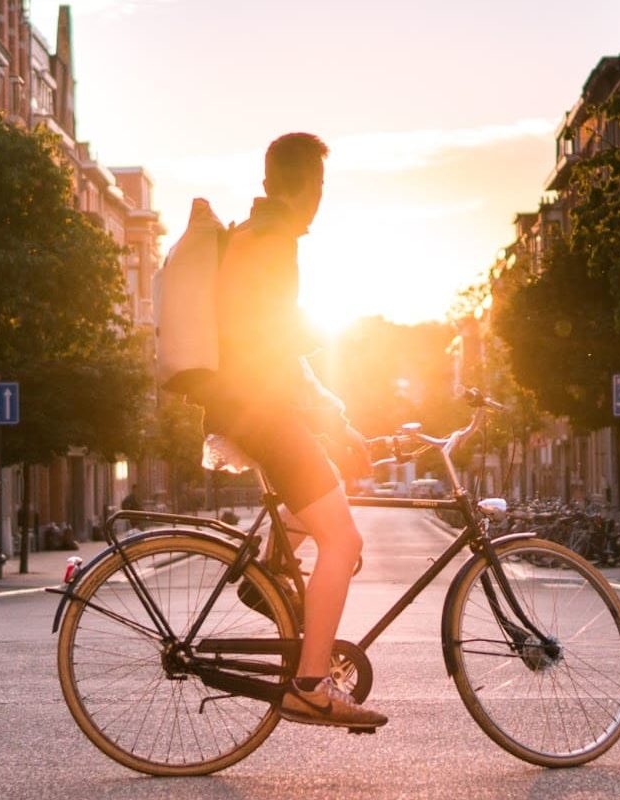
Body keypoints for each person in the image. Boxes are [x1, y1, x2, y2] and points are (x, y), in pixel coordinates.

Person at [198, 132, 385, 730]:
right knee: (344, 543)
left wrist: (335, 419)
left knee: (335, 480)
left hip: (251, 406)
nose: (322, 197)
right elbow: (276, 345)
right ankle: (309, 683)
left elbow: (277, 348)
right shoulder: (274, 241)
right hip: (260, 412)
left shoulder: (253, 234)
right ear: (306, 184)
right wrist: (331, 400)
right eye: (321, 185)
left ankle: (272, 573)